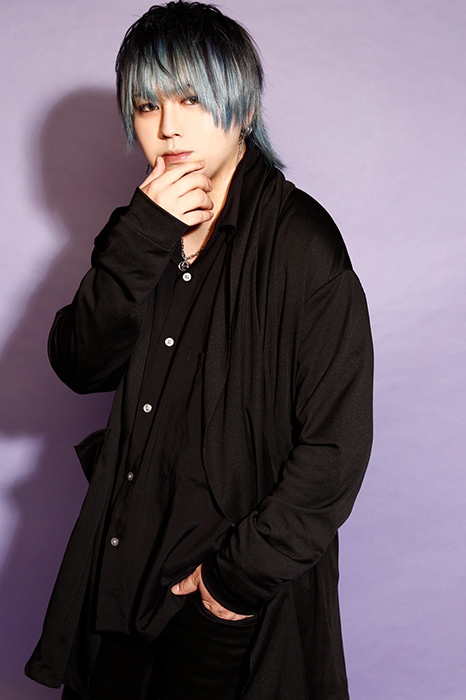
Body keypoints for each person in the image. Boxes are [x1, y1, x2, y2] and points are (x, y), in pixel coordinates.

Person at [25, 2, 373, 699]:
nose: (167, 126)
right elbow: (79, 364)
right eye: (147, 105)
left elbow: (335, 447)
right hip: (123, 571)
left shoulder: (302, 243)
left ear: (243, 107)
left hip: (220, 599)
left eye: (190, 99)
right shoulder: (138, 227)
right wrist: (141, 240)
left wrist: (234, 584)